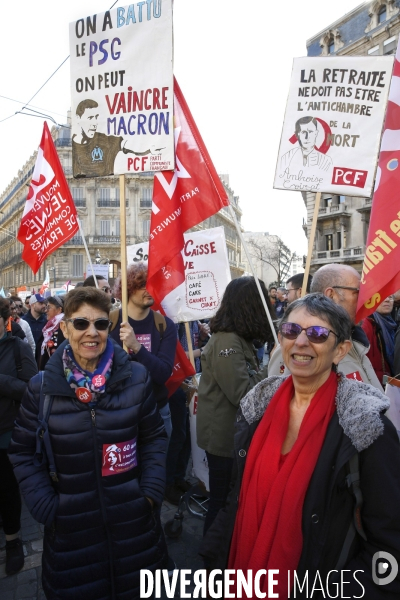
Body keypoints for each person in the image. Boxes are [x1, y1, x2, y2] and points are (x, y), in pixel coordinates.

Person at [201, 294, 400, 598]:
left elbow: (388, 547)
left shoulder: (367, 429)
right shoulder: (256, 412)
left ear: (340, 350)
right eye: (292, 331)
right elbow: (235, 500)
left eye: (318, 334)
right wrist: (213, 557)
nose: (302, 342)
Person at [8, 287, 168, 599]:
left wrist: (149, 494)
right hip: (71, 543)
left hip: (135, 533)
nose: (91, 332)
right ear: (65, 328)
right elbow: (23, 451)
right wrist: (47, 508)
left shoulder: (137, 378)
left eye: (101, 324)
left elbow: (154, 438)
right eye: (81, 324)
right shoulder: (40, 389)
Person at [196, 277, 275, 535]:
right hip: (224, 438)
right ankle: (213, 564)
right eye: (262, 300)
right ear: (249, 304)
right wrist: (272, 369)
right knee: (221, 503)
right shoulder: (227, 341)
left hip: (232, 434)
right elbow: (243, 393)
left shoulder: (238, 337)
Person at [268, 264, 383, 390]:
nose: (364, 300)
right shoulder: (295, 348)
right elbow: (281, 402)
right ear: (331, 295)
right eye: (358, 292)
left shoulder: (353, 339)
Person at [110, 263, 177, 440]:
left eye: (152, 284)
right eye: (142, 285)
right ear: (128, 289)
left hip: (156, 410)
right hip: (117, 412)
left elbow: (163, 373)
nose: (149, 290)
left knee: (157, 466)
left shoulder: (164, 325)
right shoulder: (109, 323)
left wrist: (136, 346)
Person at [0, 299, 37, 575]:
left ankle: (13, 541)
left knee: (7, 490)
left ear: (4, 321)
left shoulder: (17, 348)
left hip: (7, 434)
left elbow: (32, 390)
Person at [165, 320, 210, 505]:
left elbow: (194, 346)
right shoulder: (172, 321)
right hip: (177, 384)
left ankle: (179, 477)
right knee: (178, 435)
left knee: (188, 434)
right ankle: (168, 484)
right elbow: (174, 356)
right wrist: (203, 351)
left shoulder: (192, 320)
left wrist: (204, 339)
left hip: (193, 382)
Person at [72, 99, 159, 178]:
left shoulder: (103, 140)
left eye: (96, 117)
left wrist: (148, 147)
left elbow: (127, 144)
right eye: (90, 118)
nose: (95, 123)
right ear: (78, 118)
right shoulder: (73, 147)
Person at [361, 295, 397, 385]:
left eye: (391, 297)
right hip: (376, 383)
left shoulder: (392, 323)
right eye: (381, 296)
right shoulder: (366, 325)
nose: (387, 299)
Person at [37, 295, 66, 370]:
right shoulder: (48, 327)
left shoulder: (63, 327)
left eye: (49, 307)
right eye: (46, 307)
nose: (46, 310)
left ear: (59, 309)